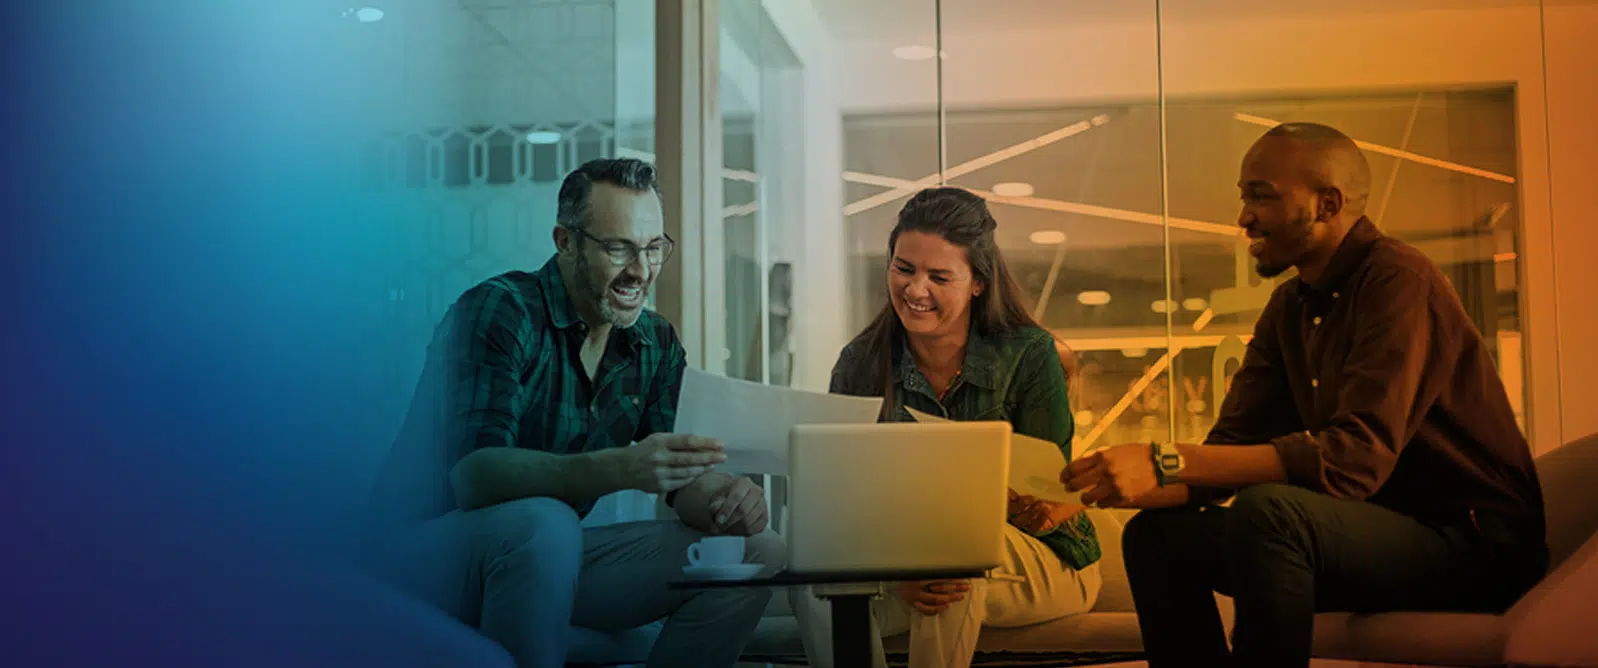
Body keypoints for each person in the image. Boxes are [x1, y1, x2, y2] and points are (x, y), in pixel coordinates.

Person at [1064, 122, 1548, 668]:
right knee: (1158, 537)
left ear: (1328, 204)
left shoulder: (1399, 280)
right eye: (1245, 198)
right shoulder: (1290, 307)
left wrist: (1166, 461)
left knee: (1270, 511)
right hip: (1367, 535)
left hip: (1473, 546)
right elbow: (1231, 448)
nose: (1243, 217)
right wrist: (1096, 491)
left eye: (1261, 197)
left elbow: (1351, 461)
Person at [360, 158, 784, 668]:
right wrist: (619, 466)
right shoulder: (499, 310)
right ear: (565, 242)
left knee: (758, 551)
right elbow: (474, 478)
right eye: (618, 248)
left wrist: (723, 497)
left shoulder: (655, 343)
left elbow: (672, 482)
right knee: (547, 521)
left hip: (544, 557)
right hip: (418, 558)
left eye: (653, 248)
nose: (641, 270)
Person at [791, 187, 1104, 668]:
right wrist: (895, 569)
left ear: (978, 282)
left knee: (949, 555)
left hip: (1045, 557)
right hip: (907, 558)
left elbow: (1052, 494)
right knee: (815, 585)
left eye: (939, 276)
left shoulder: (1029, 353)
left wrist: (1024, 504)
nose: (916, 290)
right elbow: (842, 503)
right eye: (904, 268)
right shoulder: (860, 362)